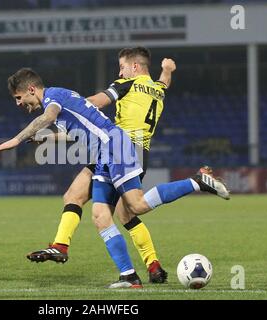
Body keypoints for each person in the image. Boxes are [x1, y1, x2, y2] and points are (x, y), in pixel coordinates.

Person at [0, 68, 230, 288]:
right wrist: (45, 138)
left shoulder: (52, 99)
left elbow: (47, 118)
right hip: (105, 151)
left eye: (19, 98)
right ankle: (128, 276)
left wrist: (16, 140)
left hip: (115, 146)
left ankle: (196, 182)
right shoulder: (62, 100)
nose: (19, 103)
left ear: (31, 89)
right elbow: (77, 131)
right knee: (100, 216)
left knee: (135, 205)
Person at [26, 47, 175, 284]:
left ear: (135, 67)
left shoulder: (126, 85)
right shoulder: (158, 90)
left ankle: (69, 249)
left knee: (112, 210)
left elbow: (93, 105)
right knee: (121, 212)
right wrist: (167, 70)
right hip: (134, 151)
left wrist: (68, 102)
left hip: (118, 148)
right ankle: (153, 266)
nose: (120, 71)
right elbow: (164, 82)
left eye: (123, 66)